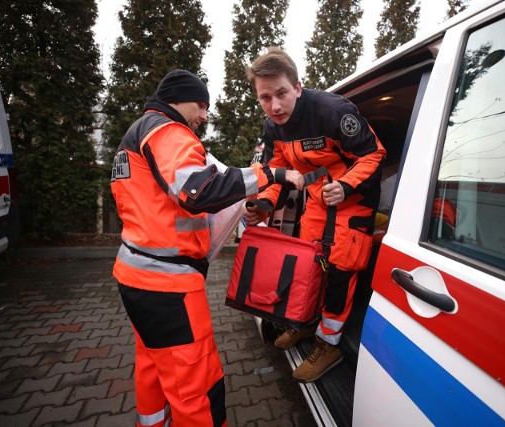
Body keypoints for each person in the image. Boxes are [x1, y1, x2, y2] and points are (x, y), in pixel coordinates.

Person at [110, 69, 302, 426]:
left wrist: (236, 205)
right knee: (196, 386)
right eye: (201, 106)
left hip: (137, 277)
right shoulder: (168, 131)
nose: (204, 116)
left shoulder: (134, 135)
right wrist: (269, 175)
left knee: (154, 367)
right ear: (180, 99)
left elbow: (165, 203)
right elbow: (198, 191)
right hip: (169, 289)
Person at [244, 47, 386, 383]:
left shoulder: (333, 111)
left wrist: (347, 186)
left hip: (353, 206)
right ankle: (306, 324)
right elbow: (276, 169)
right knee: (310, 270)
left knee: (338, 275)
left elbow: (374, 155)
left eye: (281, 93)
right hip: (317, 205)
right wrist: (264, 206)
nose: (274, 106)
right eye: (265, 97)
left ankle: (329, 344)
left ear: (297, 87)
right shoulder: (273, 127)